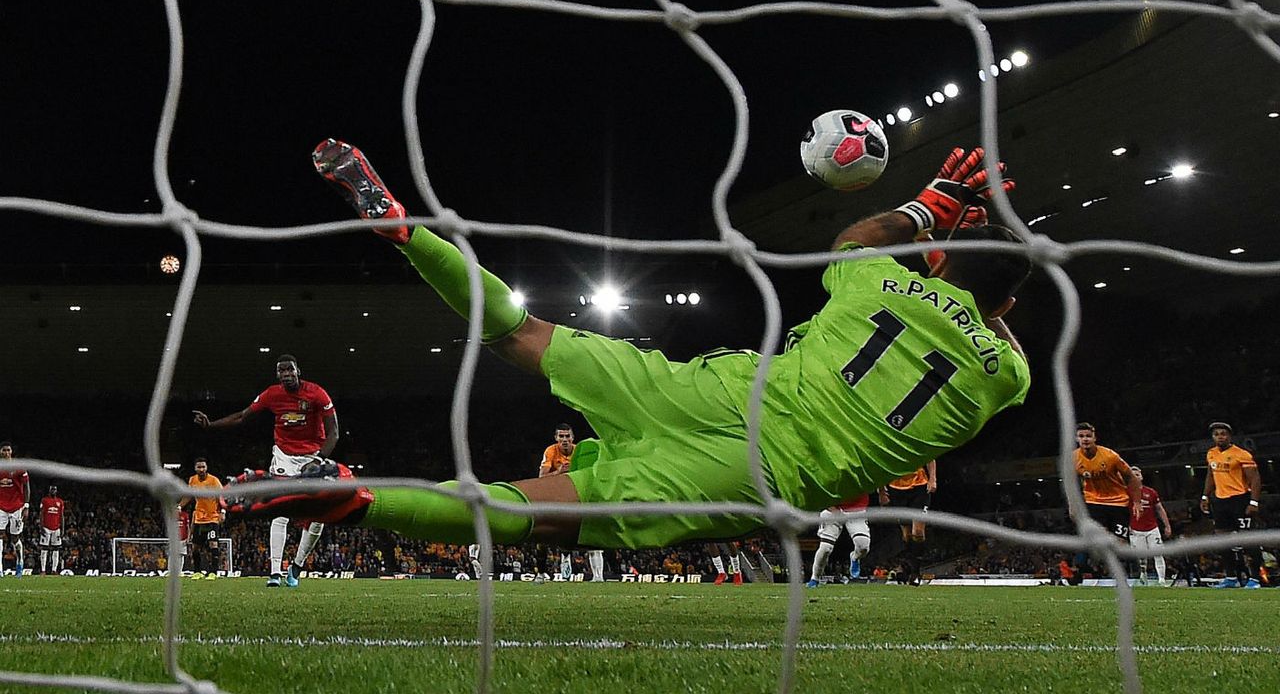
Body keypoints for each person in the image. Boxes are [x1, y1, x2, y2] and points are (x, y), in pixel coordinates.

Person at [226, 140, 1030, 552]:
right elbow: (990, 321)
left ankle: (408, 233)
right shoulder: (1008, 376)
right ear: (1011, 303)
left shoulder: (881, 283)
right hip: (756, 474)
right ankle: (359, 498)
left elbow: (856, 236)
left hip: (722, 392)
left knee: (525, 330)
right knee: (528, 514)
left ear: (933, 260)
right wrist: (989, 277)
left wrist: (931, 206)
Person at [193, 354, 339, 587]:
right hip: (284, 457)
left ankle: (297, 566)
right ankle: (275, 573)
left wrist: (319, 459)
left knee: (318, 518)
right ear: (277, 375)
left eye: (290, 370)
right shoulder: (272, 394)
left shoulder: (317, 393)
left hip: (313, 457)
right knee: (279, 511)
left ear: (298, 371)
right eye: (281, 371)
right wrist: (211, 425)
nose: (286, 375)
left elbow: (334, 433)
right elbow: (243, 416)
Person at [1200, 422, 1264, 588]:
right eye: (1216, 434)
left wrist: (1254, 501)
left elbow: (1255, 479)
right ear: (1213, 437)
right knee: (1223, 541)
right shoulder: (1211, 453)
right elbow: (1210, 475)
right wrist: (1205, 496)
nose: (1220, 436)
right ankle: (1230, 577)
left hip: (1240, 499)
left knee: (1248, 540)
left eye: (1223, 433)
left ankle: (1255, 579)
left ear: (1229, 436)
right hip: (1220, 501)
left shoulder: (1241, 454)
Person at [538, 425, 605, 581]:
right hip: (557, 498)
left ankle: (598, 576)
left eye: (567, 436)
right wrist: (559, 471)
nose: (564, 440)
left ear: (573, 437)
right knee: (543, 536)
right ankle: (543, 572)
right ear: (556, 438)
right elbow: (541, 478)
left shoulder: (581, 451)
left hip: (578, 497)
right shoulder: (550, 452)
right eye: (561, 436)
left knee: (592, 531)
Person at [1073, 423, 1141, 540]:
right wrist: (1072, 505)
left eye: (1088, 436)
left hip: (1118, 502)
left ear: (1094, 438)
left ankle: (1129, 558)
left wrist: (1137, 502)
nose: (1085, 439)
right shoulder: (1073, 458)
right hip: (1093, 502)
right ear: (1076, 438)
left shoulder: (1110, 456)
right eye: (1081, 436)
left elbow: (1130, 477)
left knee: (1121, 542)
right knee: (1100, 541)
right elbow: (1072, 484)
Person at [879, 462, 935, 585]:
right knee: (906, 535)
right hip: (896, 489)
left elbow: (930, 456)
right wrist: (882, 492)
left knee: (918, 532)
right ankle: (909, 568)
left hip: (919, 486)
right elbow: (880, 464)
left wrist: (933, 478)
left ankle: (916, 573)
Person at [807, 493, 871, 587]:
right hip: (832, 509)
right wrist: (829, 505)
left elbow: (878, 478)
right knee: (826, 548)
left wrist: (882, 492)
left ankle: (855, 557)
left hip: (857, 509)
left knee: (863, 547)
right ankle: (815, 578)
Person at [178, 458, 226, 579]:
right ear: (195, 468)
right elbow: (188, 496)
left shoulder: (214, 481)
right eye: (199, 467)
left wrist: (223, 511)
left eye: (203, 467)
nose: (201, 469)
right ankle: (197, 572)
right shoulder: (192, 480)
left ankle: (213, 573)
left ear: (206, 468)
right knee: (195, 547)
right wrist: (179, 506)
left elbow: (222, 496)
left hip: (212, 517)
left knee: (213, 544)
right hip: (199, 518)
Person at [1126, 466, 1171, 585]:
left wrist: (1167, 525)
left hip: (1152, 528)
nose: (1136, 476)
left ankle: (1162, 579)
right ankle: (1143, 573)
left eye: (1138, 474)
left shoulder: (1151, 492)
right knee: (1141, 556)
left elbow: (1160, 509)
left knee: (1158, 553)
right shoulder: (1126, 492)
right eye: (1133, 474)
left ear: (1141, 476)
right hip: (1136, 529)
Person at [0, 441, 30, 577]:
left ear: (11, 452)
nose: (6, 453)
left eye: (8, 450)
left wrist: (26, 505)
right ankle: (0, 568)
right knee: (0, 535)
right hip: (1, 506)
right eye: (4, 450)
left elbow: (27, 486)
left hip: (16, 506)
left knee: (14, 538)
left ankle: (20, 561)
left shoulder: (18, 467)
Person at [37, 484, 65, 575]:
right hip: (46, 528)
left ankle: (54, 570)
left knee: (56, 549)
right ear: (49, 491)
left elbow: (61, 516)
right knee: (44, 549)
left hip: (56, 528)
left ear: (56, 491)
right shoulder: (44, 500)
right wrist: (41, 526)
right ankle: (43, 570)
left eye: (55, 489)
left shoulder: (60, 502)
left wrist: (62, 528)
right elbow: (41, 514)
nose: (53, 491)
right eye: (52, 489)